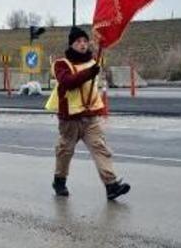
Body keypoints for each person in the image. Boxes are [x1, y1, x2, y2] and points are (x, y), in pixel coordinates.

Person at [50, 26, 130, 201]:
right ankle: (59, 180)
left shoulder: (94, 62)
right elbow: (68, 82)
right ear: (71, 44)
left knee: (100, 149)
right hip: (70, 119)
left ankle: (111, 185)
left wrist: (93, 69)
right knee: (65, 151)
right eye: (78, 41)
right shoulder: (61, 64)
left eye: (85, 41)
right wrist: (89, 73)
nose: (83, 44)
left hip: (91, 117)